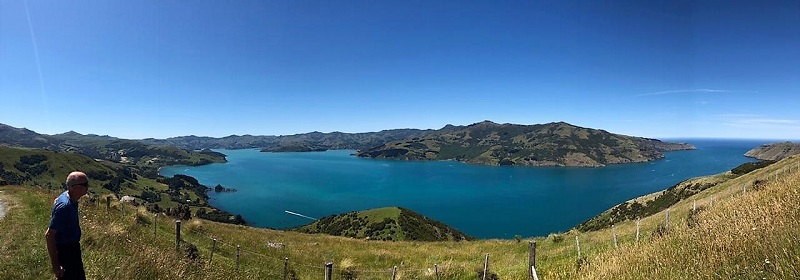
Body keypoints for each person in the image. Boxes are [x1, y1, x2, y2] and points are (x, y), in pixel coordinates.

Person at [45, 171, 90, 280]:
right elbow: (49, 235)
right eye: (85, 185)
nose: (87, 187)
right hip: (66, 252)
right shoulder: (65, 206)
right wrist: (56, 266)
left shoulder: (69, 198)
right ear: (74, 187)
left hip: (72, 249)